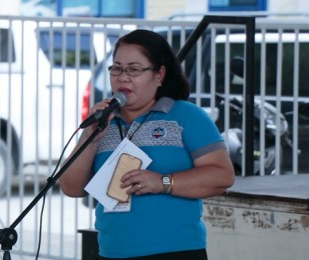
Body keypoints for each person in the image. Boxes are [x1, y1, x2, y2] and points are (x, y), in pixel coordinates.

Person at [59, 29, 235, 260]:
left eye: (134, 69)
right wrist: (90, 136)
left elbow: (222, 177)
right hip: (112, 252)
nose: (122, 77)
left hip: (175, 252)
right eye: (117, 68)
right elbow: (71, 187)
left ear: (159, 75)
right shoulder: (104, 123)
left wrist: (162, 182)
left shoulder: (187, 117)